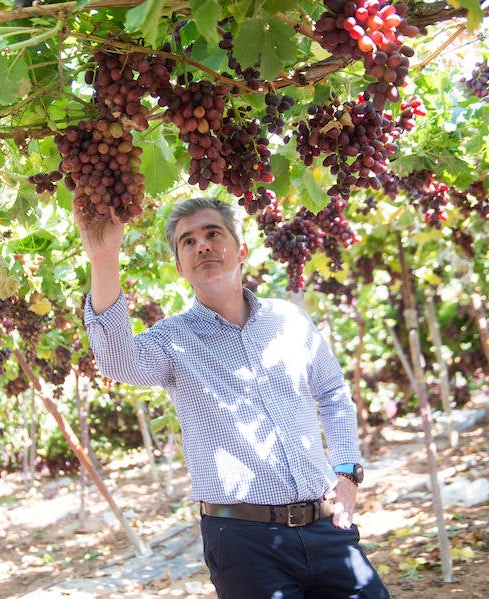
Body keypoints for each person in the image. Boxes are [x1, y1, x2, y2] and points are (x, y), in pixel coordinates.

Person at [76, 197, 389, 598]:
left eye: (212, 233)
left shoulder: (290, 321)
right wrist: (104, 259)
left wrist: (347, 474)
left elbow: (332, 393)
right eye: (187, 242)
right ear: (179, 266)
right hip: (244, 541)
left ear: (241, 250)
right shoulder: (172, 341)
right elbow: (117, 362)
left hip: (326, 527)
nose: (201, 245)